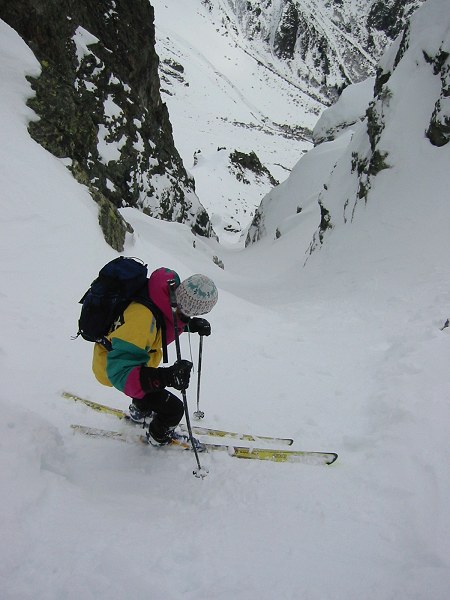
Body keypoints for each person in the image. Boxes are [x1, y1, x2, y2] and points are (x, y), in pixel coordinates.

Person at [92, 267, 218, 445]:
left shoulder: (168, 295)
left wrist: (189, 324)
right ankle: (158, 437)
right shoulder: (142, 321)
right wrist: (166, 377)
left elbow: (165, 321)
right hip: (113, 366)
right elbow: (121, 373)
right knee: (174, 409)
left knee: (147, 386)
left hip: (134, 358)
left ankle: (139, 412)